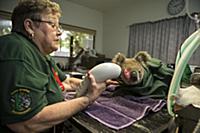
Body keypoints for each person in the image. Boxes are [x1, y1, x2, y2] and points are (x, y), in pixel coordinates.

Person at [0, 0, 107, 132]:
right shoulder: (18, 51)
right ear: (29, 26)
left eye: (58, 26)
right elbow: (26, 123)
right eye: (52, 25)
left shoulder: (42, 55)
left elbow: (66, 81)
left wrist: (97, 83)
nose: (59, 32)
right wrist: (87, 99)